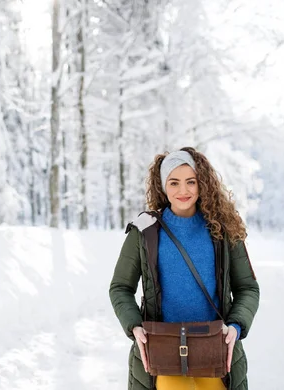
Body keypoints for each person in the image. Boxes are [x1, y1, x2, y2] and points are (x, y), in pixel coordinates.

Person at [109, 147, 260, 390]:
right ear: (162, 186)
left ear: (202, 184)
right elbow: (120, 287)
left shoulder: (223, 229)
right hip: (163, 351)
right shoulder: (144, 231)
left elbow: (247, 288)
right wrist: (134, 326)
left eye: (191, 181)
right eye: (174, 182)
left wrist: (236, 325)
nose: (183, 190)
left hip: (215, 348)